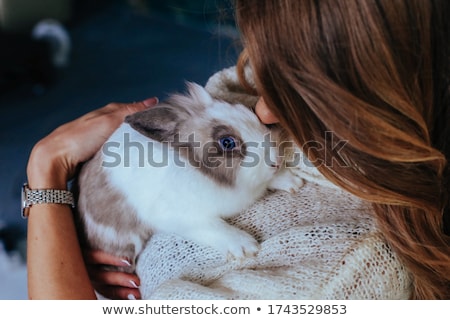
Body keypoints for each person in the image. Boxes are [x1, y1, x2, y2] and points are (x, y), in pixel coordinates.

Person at [26, 0, 449, 300]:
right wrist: (64, 232)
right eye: (266, 65)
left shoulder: (330, 278)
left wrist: (46, 172)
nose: (262, 108)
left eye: (299, 84)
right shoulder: (258, 101)